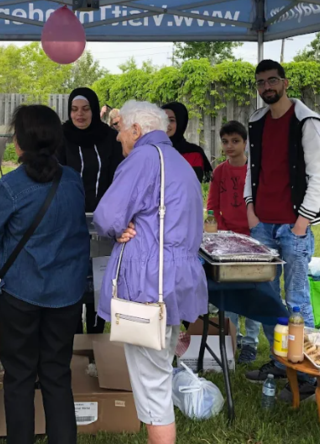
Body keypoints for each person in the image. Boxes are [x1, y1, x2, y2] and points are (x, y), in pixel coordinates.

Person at [94, 101, 209, 444]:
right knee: (158, 370)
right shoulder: (179, 162)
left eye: (120, 130)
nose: (117, 139)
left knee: (152, 381)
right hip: (175, 281)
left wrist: (118, 227)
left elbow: (107, 215)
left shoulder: (143, 158)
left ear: (136, 130)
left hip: (149, 284)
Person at [0, 105, 90, 444]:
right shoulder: (73, 180)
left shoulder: (11, 185)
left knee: (20, 377)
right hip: (67, 295)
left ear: (20, 141)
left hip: (21, 294)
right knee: (57, 375)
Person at [243, 61, 320, 403]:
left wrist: (302, 222)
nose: (267, 87)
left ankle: (308, 372)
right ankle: (281, 362)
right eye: (261, 82)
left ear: (285, 82)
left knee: (297, 299)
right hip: (262, 224)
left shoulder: (306, 121)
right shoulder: (257, 121)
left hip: (293, 226)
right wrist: (250, 211)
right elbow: (254, 168)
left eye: (272, 80)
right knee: (267, 300)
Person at [59, 88, 124, 335]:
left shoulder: (110, 137)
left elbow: (119, 176)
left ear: (95, 110)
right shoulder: (61, 136)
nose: (80, 114)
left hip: (104, 224)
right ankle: (75, 346)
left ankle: (97, 345)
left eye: (85, 109)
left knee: (100, 282)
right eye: (75, 109)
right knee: (73, 283)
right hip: (70, 223)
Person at [207, 121, 262, 365]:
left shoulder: (255, 169)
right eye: (225, 141)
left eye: (235, 141)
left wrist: (256, 233)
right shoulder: (219, 171)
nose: (230, 146)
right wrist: (217, 232)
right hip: (226, 241)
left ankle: (250, 342)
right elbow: (212, 204)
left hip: (252, 239)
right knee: (228, 293)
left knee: (252, 292)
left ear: (245, 143)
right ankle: (232, 338)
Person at [163, 102, 214, 183]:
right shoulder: (152, 150)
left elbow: (192, 185)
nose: (166, 124)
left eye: (171, 120)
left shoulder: (193, 153)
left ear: (180, 122)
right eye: (163, 120)